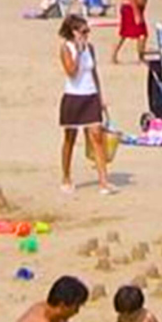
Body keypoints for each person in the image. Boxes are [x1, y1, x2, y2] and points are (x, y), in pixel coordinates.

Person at [57, 15, 113, 195]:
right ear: (73, 32)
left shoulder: (91, 48)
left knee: (97, 137)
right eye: (83, 31)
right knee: (70, 139)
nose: (87, 34)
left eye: (88, 30)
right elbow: (71, 72)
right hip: (73, 97)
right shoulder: (66, 48)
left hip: (90, 96)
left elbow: (94, 72)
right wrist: (79, 53)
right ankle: (66, 176)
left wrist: (101, 96)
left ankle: (104, 182)